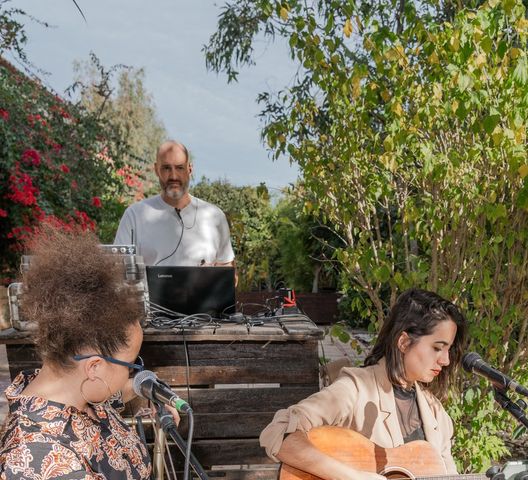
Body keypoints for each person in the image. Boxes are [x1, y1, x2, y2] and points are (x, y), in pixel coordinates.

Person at [0, 228, 162, 479]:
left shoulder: (76, 391)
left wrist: (146, 389)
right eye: (131, 364)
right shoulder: (41, 461)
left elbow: (115, 393)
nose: (131, 372)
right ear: (95, 367)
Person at [259, 288, 468, 480]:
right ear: (404, 342)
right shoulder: (357, 388)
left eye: (448, 350)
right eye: (437, 348)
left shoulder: (436, 414)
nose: (446, 360)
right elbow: (278, 433)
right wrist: (352, 477)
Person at [114, 140, 235, 268]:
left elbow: (227, 271)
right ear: (156, 170)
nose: (173, 176)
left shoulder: (214, 216)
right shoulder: (134, 215)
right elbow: (118, 271)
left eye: (180, 168)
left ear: (189, 169)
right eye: (166, 168)